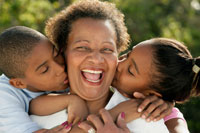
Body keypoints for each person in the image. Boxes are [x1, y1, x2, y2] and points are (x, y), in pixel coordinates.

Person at [31, 0, 190, 133]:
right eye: (82, 47)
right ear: (62, 52)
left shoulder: (146, 121)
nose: (96, 58)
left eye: (107, 49)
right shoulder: (29, 111)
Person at [80, 38, 194, 133]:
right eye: (127, 55)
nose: (119, 64)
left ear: (151, 94)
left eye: (130, 70)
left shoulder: (166, 117)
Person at [0, 26, 88, 133]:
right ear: (19, 83)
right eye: (45, 70)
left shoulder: (66, 63)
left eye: (56, 54)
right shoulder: (4, 96)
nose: (60, 68)